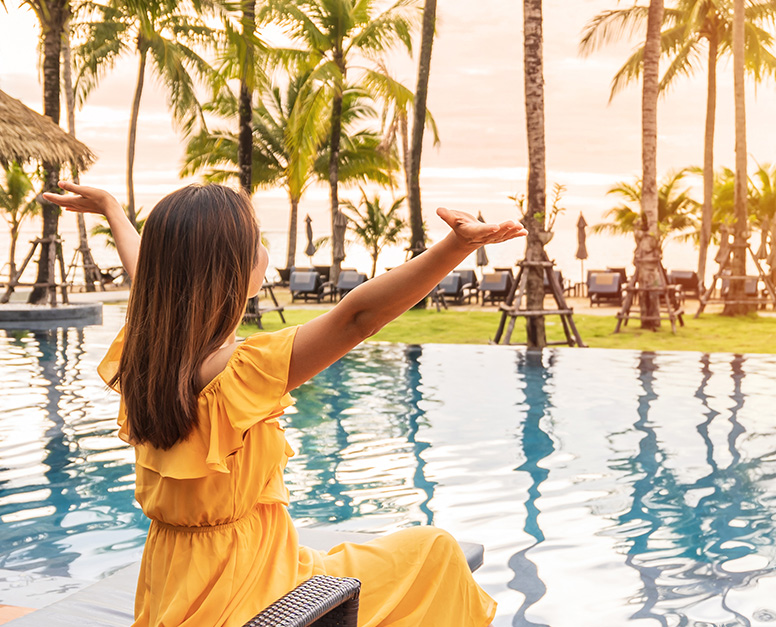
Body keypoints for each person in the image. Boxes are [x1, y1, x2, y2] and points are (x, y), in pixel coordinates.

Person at [44, 181, 526, 627]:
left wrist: (113, 210)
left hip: (174, 589)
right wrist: (456, 246)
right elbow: (358, 317)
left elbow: (152, 273)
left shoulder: (146, 357)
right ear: (233, 270)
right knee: (434, 550)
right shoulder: (242, 370)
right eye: (257, 242)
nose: (264, 252)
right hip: (253, 588)